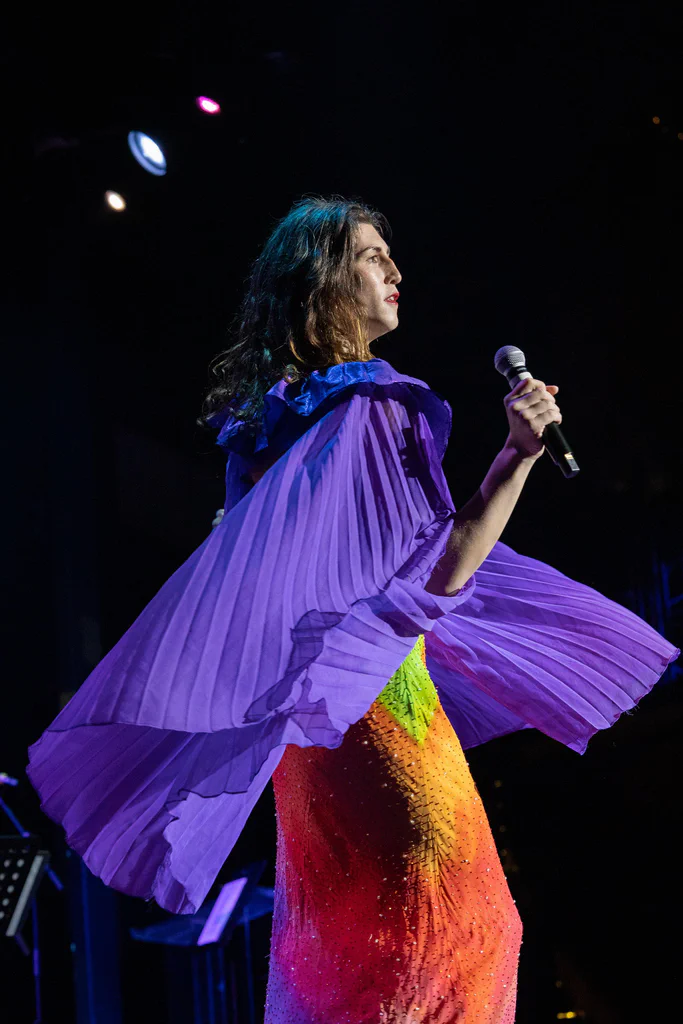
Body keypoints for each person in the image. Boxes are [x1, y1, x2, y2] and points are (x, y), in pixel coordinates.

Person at [27, 197, 678, 1023]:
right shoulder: (376, 402)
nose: (396, 272)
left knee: (346, 958)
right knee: (456, 936)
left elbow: (255, 608)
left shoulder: (259, 428)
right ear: (326, 284)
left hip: (307, 749)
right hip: (384, 726)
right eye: (373, 258)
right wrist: (515, 455)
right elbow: (437, 579)